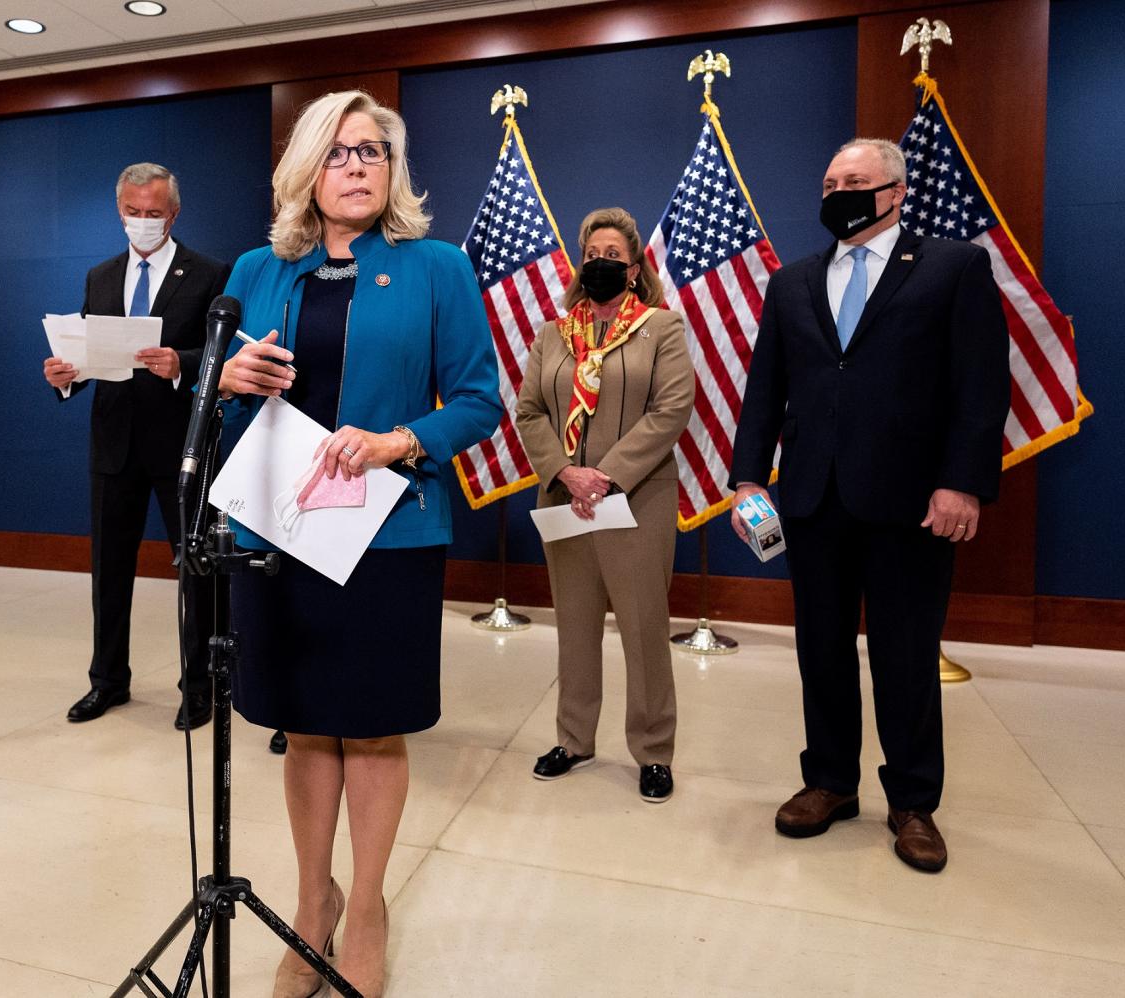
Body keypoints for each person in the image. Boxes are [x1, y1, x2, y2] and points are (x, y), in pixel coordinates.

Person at [217, 90, 500, 998]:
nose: (357, 166)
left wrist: (398, 442)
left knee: (373, 727)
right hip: (282, 527)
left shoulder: (437, 267)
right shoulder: (258, 268)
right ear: (306, 168)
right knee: (304, 725)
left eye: (374, 151)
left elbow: (477, 399)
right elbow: (220, 393)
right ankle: (314, 902)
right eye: (338, 152)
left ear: (394, 169)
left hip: (390, 530)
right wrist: (226, 376)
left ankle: (369, 906)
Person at [729, 138, 1008, 873]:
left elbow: (981, 387)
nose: (839, 191)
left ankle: (913, 802)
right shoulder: (792, 282)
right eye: (829, 181)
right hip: (813, 498)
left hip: (912, 502)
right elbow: (766, 390)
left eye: (855, 180)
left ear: (895, 191)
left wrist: (963, 482)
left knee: (905, 657)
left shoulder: (953, 267)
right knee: (820, 650)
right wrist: (748, 479)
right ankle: (829, 782)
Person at [514, 207, 695, 804]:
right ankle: (574, 737)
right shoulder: (553, 335)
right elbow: (530, 411)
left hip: (636, 501)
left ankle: (652, 750)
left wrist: (607, 476)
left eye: (613, 255)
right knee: (575, 624)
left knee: (643, 628)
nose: (601, 263)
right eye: (593, 253)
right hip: (566, 499)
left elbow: (671, 410)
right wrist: (566, 471)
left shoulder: (661, 328)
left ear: (635, 267)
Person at [43, 163, 230, 731]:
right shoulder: (100, 276)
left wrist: (183, 363)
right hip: (113, 442)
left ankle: (199, 686)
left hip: (182, 444)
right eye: (133, 212)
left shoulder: (210, 273)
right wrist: (65, 375)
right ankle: (108, 681)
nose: (142, 222)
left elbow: (223, 356)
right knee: (108, 568)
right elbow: (89, 351)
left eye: (153, 213)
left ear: (174, 213)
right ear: (118, 211)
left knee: (195, 571)